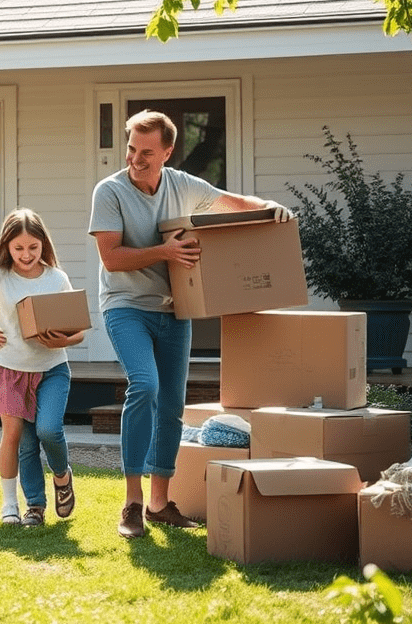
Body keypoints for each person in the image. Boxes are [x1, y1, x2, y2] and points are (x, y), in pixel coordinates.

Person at [87, 110, 293, 539]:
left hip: (173, 310)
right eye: (131, 149)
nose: (135, 159)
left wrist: (271, 208)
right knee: (144, 385)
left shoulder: (183, 185)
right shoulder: (110, 192)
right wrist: (164, 252)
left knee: (172, 407)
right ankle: (132, 502)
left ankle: (160, 503)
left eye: (146, 151)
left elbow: (231, 201)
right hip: (125, 305)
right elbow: (111, 258)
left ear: (167, 151)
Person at [0, 208, 84, 527]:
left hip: (51, 369)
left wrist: (61, 342)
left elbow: (78, 330)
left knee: (48, 430)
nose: (26, 254)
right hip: (8, 370)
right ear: (7, 246)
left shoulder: (55, 277)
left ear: (43, 245)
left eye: (33, 248)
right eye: (19, 248)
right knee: (20, 439)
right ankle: (25, 506)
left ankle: (62, 476)